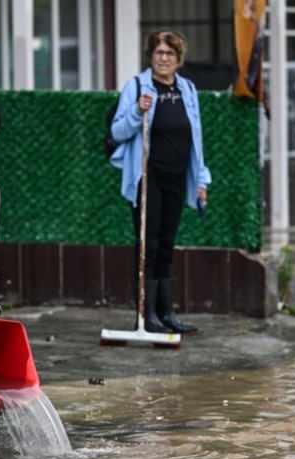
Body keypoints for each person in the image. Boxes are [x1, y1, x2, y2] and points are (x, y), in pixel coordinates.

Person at [109, 31, 211, 334]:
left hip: (177, 177)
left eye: (170, 53)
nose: (163, 58)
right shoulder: (138, 87)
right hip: (147, 177)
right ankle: (146, 314)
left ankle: (167, 314)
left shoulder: (187, 90)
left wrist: (201, 179)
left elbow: (197, 139)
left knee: (167, 244)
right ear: (150, 56)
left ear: (178, 59)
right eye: (158, 52)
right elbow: (117, 131)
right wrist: (137, 110)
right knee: (148, 246)